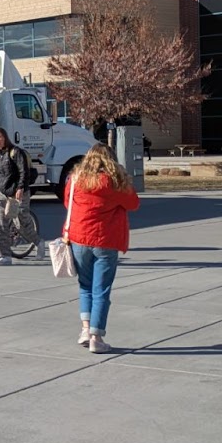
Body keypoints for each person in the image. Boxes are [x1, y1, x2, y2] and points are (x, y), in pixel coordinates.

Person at [64, 142, 140, 353]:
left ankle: (85, 330)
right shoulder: (114, 182)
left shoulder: (76, 179)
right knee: (101, 290)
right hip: (106, 240)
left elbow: (67, 203)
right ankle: (97, 338)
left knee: (85, 286)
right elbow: (134, 204)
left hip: (79, 238)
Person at [0, 127, 31, 266]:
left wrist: (21, 187)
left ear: (5, 138)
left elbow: (23, 171)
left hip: (14, 192)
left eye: (0, 137)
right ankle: (4, 256)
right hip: (1, 193)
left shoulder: (15, 152)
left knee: (20, 222)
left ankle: (34, 240)